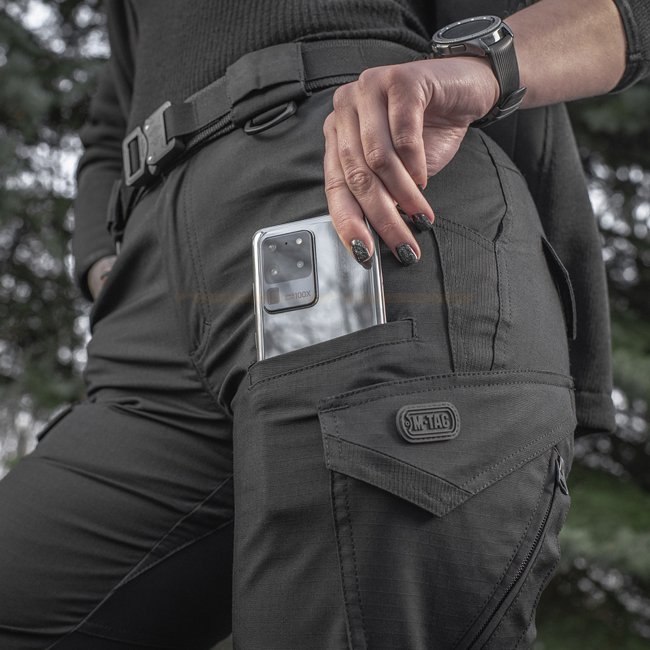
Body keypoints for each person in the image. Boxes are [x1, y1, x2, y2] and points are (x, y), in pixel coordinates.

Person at [0, 0, 648, 648]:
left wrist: (487, 63)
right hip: (153, 294)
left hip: (364, 182)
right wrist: (100, 262)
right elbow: (110, 119)